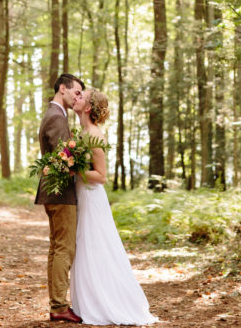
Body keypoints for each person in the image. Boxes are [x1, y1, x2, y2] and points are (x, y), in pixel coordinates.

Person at [70, 88, 158, 326]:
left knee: (95, 246)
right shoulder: (82, 132)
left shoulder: (94, 134)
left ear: (88, 107)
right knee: (84, 246)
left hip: (91, 196)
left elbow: (101, 175)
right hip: (82, 194)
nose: (76, 97)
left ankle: (104, 302)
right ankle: (87, 300)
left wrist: (72, 168)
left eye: (81, 97)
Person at [35, 73, 85, 323]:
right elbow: (62, 158)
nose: (78, 97)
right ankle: (58, 306)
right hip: (60, 192)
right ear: (62, 88)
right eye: (76, 92)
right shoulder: (56, 117)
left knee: (57, 248)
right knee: (64, 248)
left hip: (53, 192)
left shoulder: (55, 114)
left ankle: (57, 304)